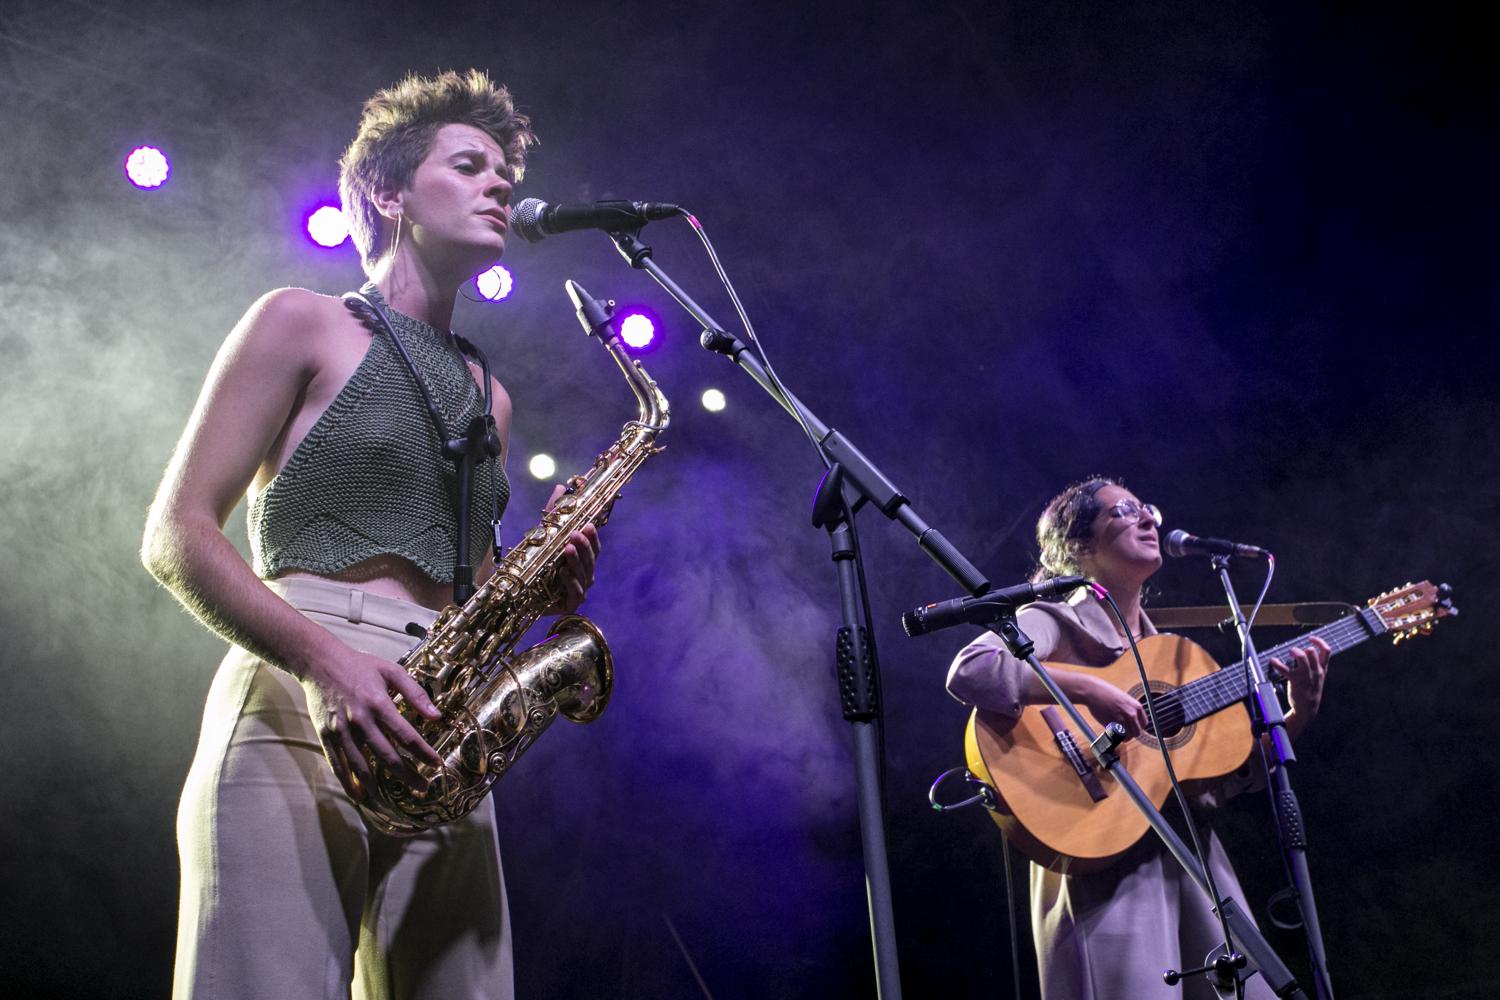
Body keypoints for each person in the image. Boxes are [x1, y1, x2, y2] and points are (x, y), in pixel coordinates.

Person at [141, 69, 601, 1000]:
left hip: (442, 718)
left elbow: (468, 596)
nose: (499, 184)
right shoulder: (301, 321)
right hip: (298, 685)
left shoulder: (490, 396)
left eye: (505, 172)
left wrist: (538, 586)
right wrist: (327, 666)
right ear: (389, 193)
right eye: (468, 164)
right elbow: (175, 535)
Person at [947, 477, 1330, 1000]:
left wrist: (1295, 714)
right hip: (1096, 848)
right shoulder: (1053, 618)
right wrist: (1087, 689)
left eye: (1146, 508)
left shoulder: (1172, 658)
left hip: (1192, 857)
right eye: (1123, 512)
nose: (1149, 518)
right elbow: (971, 670)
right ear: (1080, 545)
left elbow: (1224, 781)